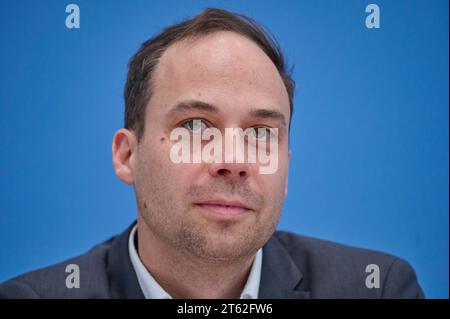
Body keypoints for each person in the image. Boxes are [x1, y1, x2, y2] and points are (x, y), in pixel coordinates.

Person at [0, 8, 424, 299]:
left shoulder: (376, 288)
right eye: (196, 127)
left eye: (261, 133)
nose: (234, 161)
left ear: (287, 168)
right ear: (128, 156)